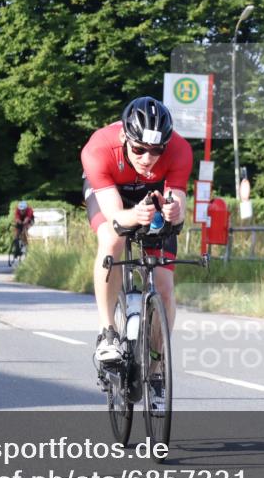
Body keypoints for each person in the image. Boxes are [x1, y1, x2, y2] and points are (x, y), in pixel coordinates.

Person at [81, 96, 192, 366]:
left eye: (157, 151)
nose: (148, 158)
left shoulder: (180, 149)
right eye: (140, 149)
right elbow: (116, 217)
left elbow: (178, 204)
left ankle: (156, 366)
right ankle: (107, 333)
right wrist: (134, 215)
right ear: (124, 137)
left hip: (150, 192)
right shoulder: (98, 149)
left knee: (164, 287)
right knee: (112, 237)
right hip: (110, 190)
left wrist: (174, 211)